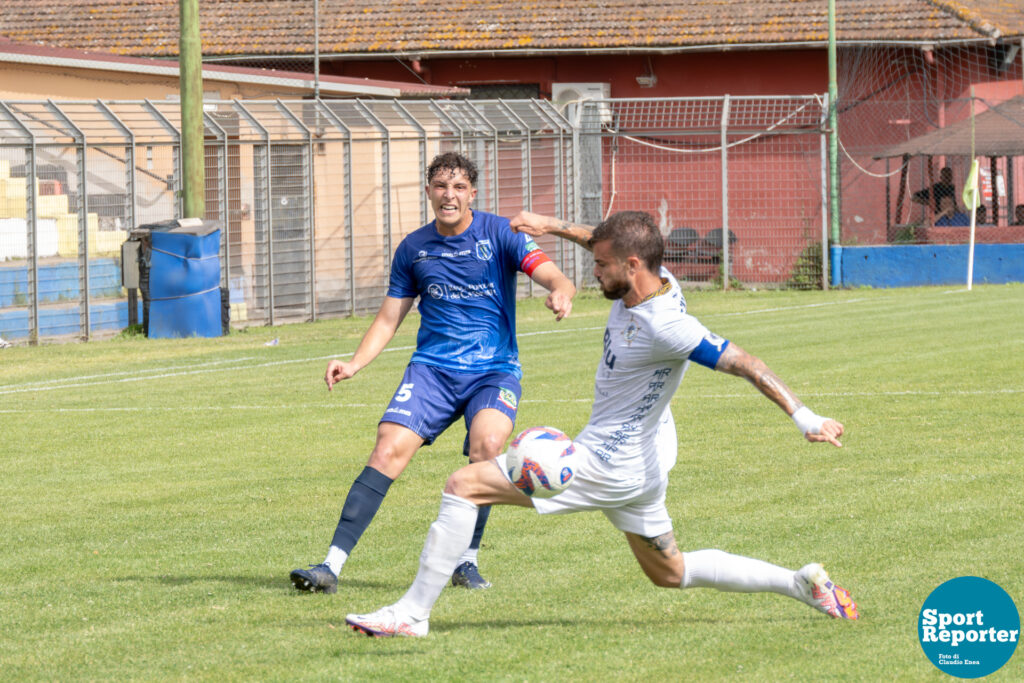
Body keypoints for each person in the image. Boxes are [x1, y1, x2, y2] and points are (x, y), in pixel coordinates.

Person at [344, 210, 858, 637]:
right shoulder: (651, 276)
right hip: (643, 464)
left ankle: (412, 614)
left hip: (607, 464)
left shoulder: (668, 325)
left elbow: (746, 363)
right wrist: (548, 223)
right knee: (670, 571)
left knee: (463, 485)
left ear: (632, 266)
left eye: (601, 265)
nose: (593, 271)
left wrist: (806, 418)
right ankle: (801, 583)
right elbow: (599, 237)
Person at [290, 153, 577, 594]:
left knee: (488, 446)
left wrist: (561, 293)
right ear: (429, 192)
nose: (450, 195)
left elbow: (556, 277)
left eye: (459, 187)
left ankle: (466, 560)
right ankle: (330, 566)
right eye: (441, 186)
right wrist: (353, 363)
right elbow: (389, 319)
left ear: (472, 194)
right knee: (386, 450)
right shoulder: (413, 248)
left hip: (493, 371)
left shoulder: (501, 234)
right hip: (433, 372)